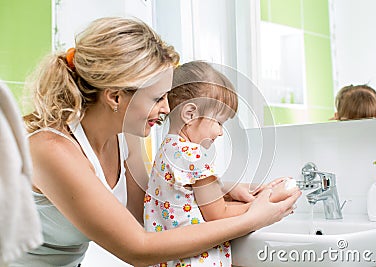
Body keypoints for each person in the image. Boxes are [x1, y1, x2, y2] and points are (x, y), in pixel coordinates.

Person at [12, 17, 301, 267]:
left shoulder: (125, 137)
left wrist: (217, 189)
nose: (166, 109)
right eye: (157, 98)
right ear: (115, 97)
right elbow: (139, 249)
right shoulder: (52, 151)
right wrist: (255, 218)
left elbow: (151, 211)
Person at [144, 61, 300, 267]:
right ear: (189, 114)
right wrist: (264, 203)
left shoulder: (167, 149)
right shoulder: (193, 156)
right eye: (219, 122)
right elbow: (218, 214)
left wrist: (241, 195)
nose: (219, 132)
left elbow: (197, 206)